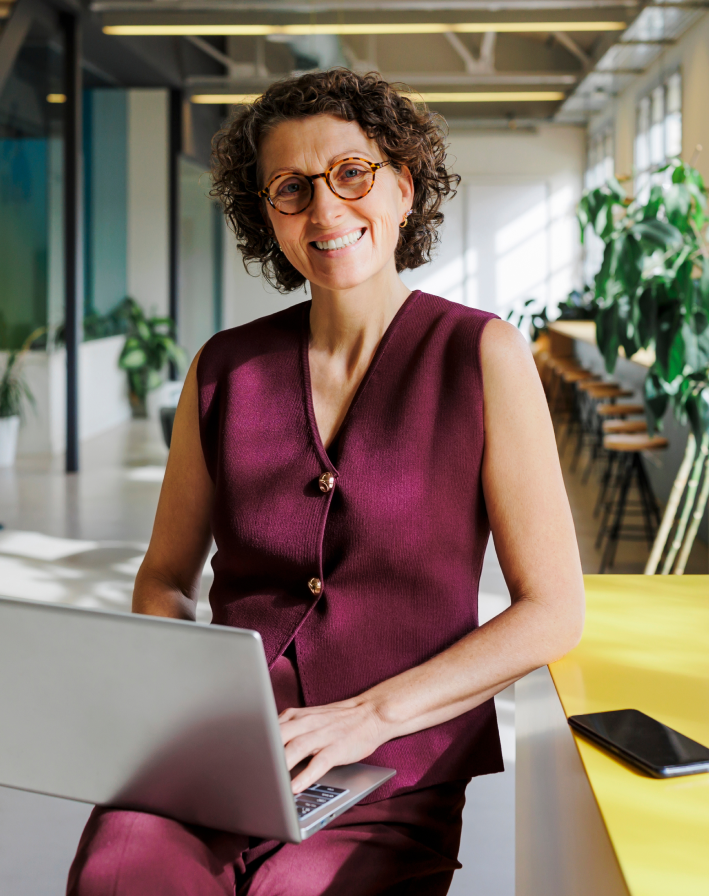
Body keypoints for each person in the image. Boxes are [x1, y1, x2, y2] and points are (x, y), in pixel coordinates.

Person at [67, 68, 584, 896]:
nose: (325, 210)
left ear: (403, 188)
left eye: (351, 173)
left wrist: (371, 716)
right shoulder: (222, 370)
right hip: (224, 752)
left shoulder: (482, 356)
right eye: (292, 188)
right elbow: (164, 578)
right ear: (266, 215)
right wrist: (177, 701)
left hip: (391, 767)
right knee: (116, 874)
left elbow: (554, 610)